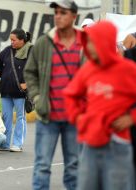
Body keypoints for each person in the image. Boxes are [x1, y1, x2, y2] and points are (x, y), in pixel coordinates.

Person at [63, 20, 135, 190]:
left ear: (105, 43)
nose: (90, 47)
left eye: (94, 43)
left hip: (118, 144)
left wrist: (131, 118)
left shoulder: (127, 69)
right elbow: (70, 95)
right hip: (90, 143)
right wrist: (78, 117)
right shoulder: (88, 69)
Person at [23, 0, 82, 189]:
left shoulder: (85, 43)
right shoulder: (44, 43)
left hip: (75, 117)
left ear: (74, 16)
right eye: (56, 12)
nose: (58, 16)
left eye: (63, 12)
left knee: (74, 166)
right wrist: (38, 98)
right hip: (48, 116)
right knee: (42, 166)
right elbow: (29, 72)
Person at [0, 29, 32, 152]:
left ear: (22, 40)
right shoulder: (7, 51)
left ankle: (17, 143)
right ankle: (4, 143)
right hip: (6, 90)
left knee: (21, 117)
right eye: (10, 40)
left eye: (14, 40)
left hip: (20, 93)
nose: (11, 42)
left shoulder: (31, 51)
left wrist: (28, 84)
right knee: (6, 117)